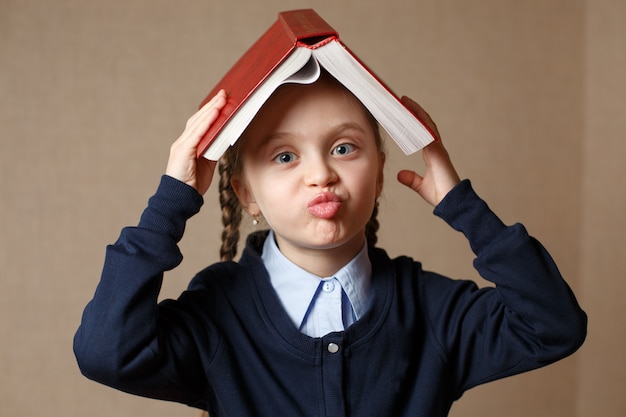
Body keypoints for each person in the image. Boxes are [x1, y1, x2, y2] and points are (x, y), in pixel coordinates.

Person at [73, 71, 586, 417]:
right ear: (246, 194)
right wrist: (171, 202)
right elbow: (106, 353)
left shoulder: (432, 309)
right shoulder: (217, 312)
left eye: (344, 148)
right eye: (284, 156)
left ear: (380, 175)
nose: (321, 174)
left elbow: (555, 327)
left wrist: (463, 206)